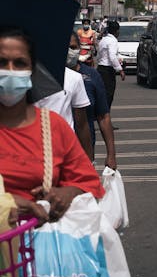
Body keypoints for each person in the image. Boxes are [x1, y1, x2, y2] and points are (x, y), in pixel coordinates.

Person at [0, 26, 104, 222]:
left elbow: (88, 182)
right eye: (2, 62)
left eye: (20, 63)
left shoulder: (52, 126)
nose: (10, 71)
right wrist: (6, 203)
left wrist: (66, 193)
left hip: (39, 244)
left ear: (32, 71)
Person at [68, 32, 117, 169]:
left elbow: (103, 116)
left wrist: (111, 154)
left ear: (79, 48)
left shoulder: (91, 76)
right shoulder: (49, 78)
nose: (69, 52)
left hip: (85, 153)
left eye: (73, 47)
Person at [35, 65, 94, 161]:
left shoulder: (73, 77)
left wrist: (89, 161)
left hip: (64, 151)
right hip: (33, 150)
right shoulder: (23, 79)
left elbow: (82, 124)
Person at [96, 20, 125, 110]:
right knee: (108, 96)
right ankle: (105, 117)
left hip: (100, 69)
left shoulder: (104, 40)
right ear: (116, 31)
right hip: (107, 71)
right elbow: (112, 56)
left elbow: (100, 55)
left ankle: (104, 117)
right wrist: (120, 70)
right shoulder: (112, 41)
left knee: (103, 95)